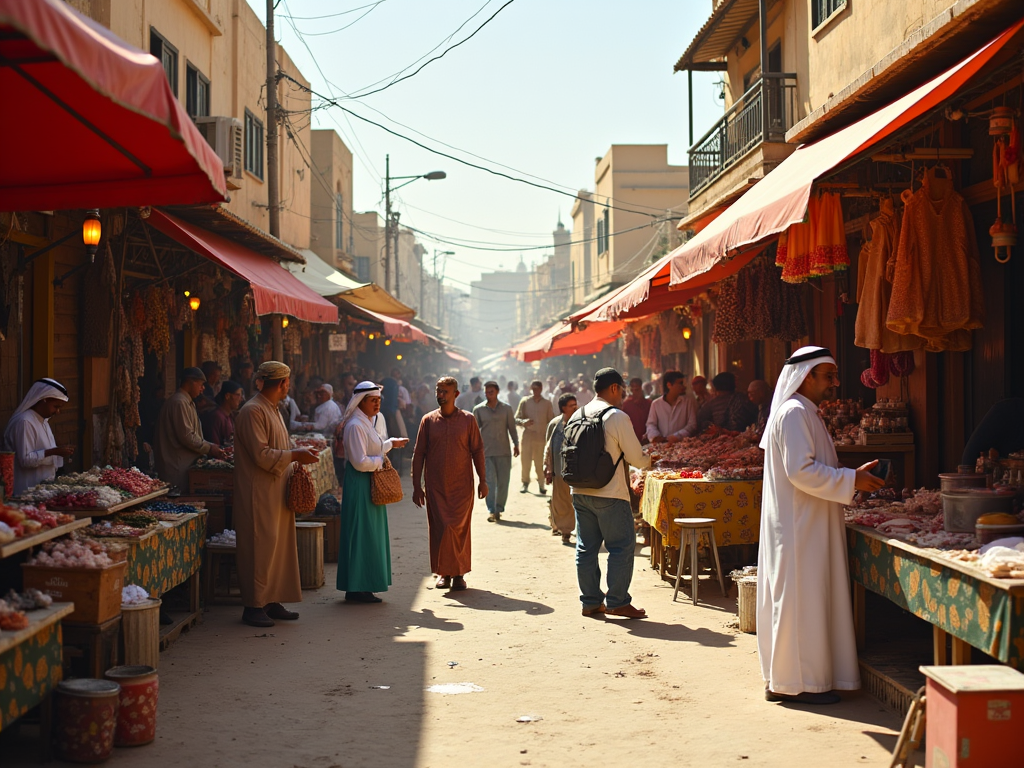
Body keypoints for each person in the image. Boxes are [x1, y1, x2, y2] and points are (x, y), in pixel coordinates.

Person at [757, 346, 885, 705]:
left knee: (805, 600)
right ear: (806, 376)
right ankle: (798, 684)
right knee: (802, 600)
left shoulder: (804, 413)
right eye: (828, 375)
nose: (834, 382)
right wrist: (850, 480)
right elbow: (801, 471)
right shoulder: (795, 413)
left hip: (806, 522)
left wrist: (849, 479)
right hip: (800, 527)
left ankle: (797, 679)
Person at [234, 361, 321, 627]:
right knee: (259, 547)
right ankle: (253, 605)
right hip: (258, 492)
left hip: (276, 490)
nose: (289, 386)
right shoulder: (252, 411)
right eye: (288, 382)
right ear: (282, 383)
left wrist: (296, 458)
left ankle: (270, 600)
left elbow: (279, 447)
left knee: (277, 547)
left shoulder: (272, 409)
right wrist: (295, 455)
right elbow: (261, 455)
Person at [570, 368, 652, 619]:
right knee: (620, 546)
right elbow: (636, 457)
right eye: (622, 389)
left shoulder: (577, 413)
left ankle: (591, 601)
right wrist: (649, 459)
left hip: (579, 491)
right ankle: (617, 601)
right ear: (614, 388)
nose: (624, 394)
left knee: (586, 548)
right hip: (610, 493)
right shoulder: (616, 416)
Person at [412, 377, 487, 592]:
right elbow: (419, 454)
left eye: (445, 391)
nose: (441, 395)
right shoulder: (428, 421)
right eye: (439, 391)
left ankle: (459, 574)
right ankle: (444, 573)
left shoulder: (468, 420)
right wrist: (417, 485)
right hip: (435, 487)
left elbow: (477, 451)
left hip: (462, 487)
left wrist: (483, 480)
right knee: (441, 528)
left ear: (456, 394)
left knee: (458, 529)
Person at [337, 381, 409, 603]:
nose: (377, 404)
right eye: (372, 400)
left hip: (369, 481)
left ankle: (364, 585)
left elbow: (372, 448)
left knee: (370, 534)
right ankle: (357, 587)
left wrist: (390, 444)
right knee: (361, 532)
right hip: (361, 482)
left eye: (379, 400)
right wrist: (380, 462)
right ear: (361, 402)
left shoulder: (366, 422)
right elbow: (359, 461)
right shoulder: (356, 425)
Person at [155, 368, 226, 489]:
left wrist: (213, 446)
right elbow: (187, 437)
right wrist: (209, 448)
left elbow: (194, 435)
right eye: (201, 384)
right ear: (190, 382)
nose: (203, 388)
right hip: (176, 468)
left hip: (183, 467)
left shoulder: (187, 402)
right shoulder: (179, 402)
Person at [3, 378, 74, 496]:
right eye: (55, 406)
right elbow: (25, 460)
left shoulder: (43, 420)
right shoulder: (25, 422)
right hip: (25, 492)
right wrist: (54, 451)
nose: (57, 412)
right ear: (43, 400)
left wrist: (59, 452)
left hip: (42, 490)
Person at [473, 381, 519, 523]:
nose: (488, 395)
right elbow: (474, 432)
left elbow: (512, 428)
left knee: (503, 482)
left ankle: (499, 508)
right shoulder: (479, 410)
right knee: (489, 482)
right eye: (486, 392)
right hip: (486, 452)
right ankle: (492, 510)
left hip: (504, 451)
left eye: (491, 392)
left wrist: (516, 444)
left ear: (497, 392)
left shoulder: (506, 409)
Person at [544, 393, 578, 545]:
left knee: (577, 501)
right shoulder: (554, 425)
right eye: (571, 405)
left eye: (575, 404)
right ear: (563, 408)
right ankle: (566, 531)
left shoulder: (581, 423)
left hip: (578, 471)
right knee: (561, 501)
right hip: (559, 470)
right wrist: (548, 467)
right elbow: (548, 447)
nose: (575, 407)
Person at [515, 380, 554, 494]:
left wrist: (550, 438)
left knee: (540, 462)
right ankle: (525, 483)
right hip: (528, 436)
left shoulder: (547, 404)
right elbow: (516, 419)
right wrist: (523, 422)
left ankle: (541, 485)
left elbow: (551, 421)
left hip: (541, 437)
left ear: (541, 389)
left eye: (537, 388)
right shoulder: (525, 401)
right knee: (525, 461)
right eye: (533, 389)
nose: (535, 391)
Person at [646, 371, 698, 444]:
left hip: (682, 446)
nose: (684, 386)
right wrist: (655, 437)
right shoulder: (656, 404)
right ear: (669, 385)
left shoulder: (687, 402)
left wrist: (677, 436)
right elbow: (651, 424)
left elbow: (692, 425)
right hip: (662, 446)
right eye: (680, 383)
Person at [201, 380, 244, 446]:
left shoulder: (230, 416)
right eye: (237, 395)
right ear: (227, 396)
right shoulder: (217, 417)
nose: (241, 399)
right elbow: (214, 444)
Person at [620, 378, 651, 442]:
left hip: (646, 439)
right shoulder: (626, 404)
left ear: (641, 388)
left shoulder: (649, 404)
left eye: (637, 389)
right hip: (631, 440)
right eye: (633, 390)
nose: (635, 392)